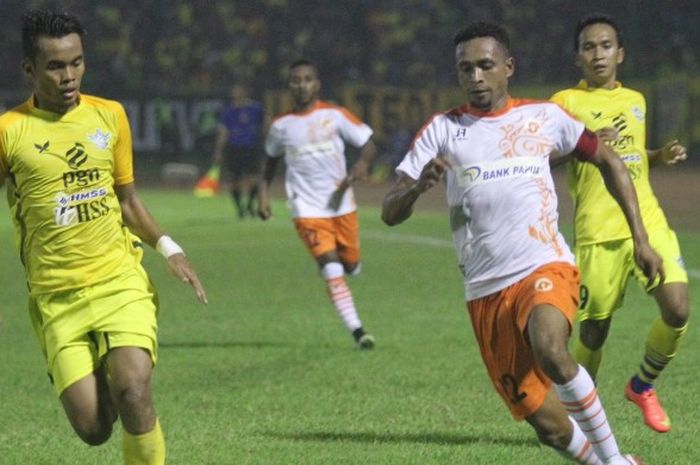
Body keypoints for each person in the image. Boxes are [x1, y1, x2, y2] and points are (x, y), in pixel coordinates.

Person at [382, 22, 663, 464]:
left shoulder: (543, 117)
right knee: (549, 428)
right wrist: (416, 188)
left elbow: (608, 160)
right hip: (485, 292)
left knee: (551, 348)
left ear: (508, 67)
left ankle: (614, 461)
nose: (475, 77)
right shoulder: (442, 130)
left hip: (542, 266)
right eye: (465, 69)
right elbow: (389, 212)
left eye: (485, 66)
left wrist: (641, 237)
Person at [0, 9, 208, 464]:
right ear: (29, 70)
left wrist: (170, 249)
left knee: (134, 390)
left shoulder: (110, 117)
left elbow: (128, 200)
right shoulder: (8, 131)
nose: (69, 75)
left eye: (76, 62)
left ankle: (125, 380)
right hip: (57, 297)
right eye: (55, 66)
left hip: (119, 280)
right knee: (94, 430)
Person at [550, 13, 690, 434]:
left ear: (620, 53)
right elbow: (544, 156)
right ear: (578, 57)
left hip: (648, 221)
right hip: (598, 233)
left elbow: (631, 156)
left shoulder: (636, 99)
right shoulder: (564, 104)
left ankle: (641, 386)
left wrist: (658, 156)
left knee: (678, 308)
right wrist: (585, 144)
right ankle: (582, 414)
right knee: (593, 334)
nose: (598, 54)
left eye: (606, 46)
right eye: (589, 47)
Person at [258, 59, 377, 349]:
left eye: (307, 79)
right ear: (290, 86)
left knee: (350, 265)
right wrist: (263, 194)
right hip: (306, 209)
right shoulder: (281, 125)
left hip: (341, 205)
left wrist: (361, 165)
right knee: (330, 265)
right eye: (296, 80)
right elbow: (271, 161)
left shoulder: (335, 115)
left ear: (317, 83)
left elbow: (368, 143)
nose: (302, 85)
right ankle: (358, 332)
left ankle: (348, 267)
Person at [211, 83, 265, 218]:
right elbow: (223, 132)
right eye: (235, 91)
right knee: (234, 180)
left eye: (239, 91)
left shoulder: (256, 109)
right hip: (234, 148)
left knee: (254, 178)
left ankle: (250, 205)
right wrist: (219, 151)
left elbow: (266, 123)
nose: (236, 94)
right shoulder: (229, 112)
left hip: (251, 148)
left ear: (245, 93)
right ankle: (240, 208)